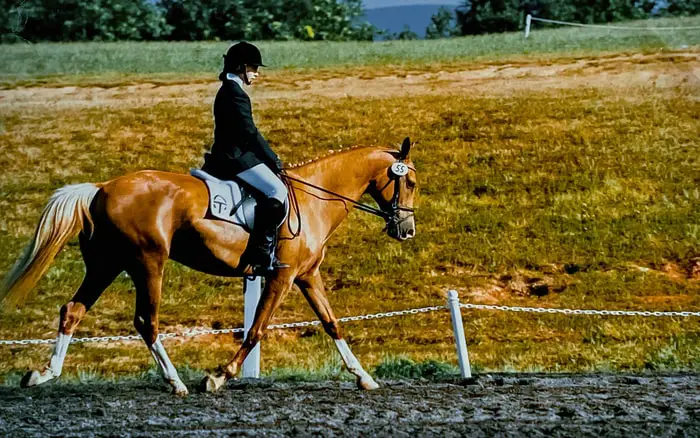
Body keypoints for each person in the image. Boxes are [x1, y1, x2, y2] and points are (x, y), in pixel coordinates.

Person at [201, 41, 288, 274]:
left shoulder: (230, 90)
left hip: (233, 154)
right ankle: (262, 253)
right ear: (241, 67)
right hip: (234, 158)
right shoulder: (235, 94)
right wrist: (272, 158)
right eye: (253, 68)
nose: (257, 73)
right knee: (277, 191)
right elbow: (248, 133)